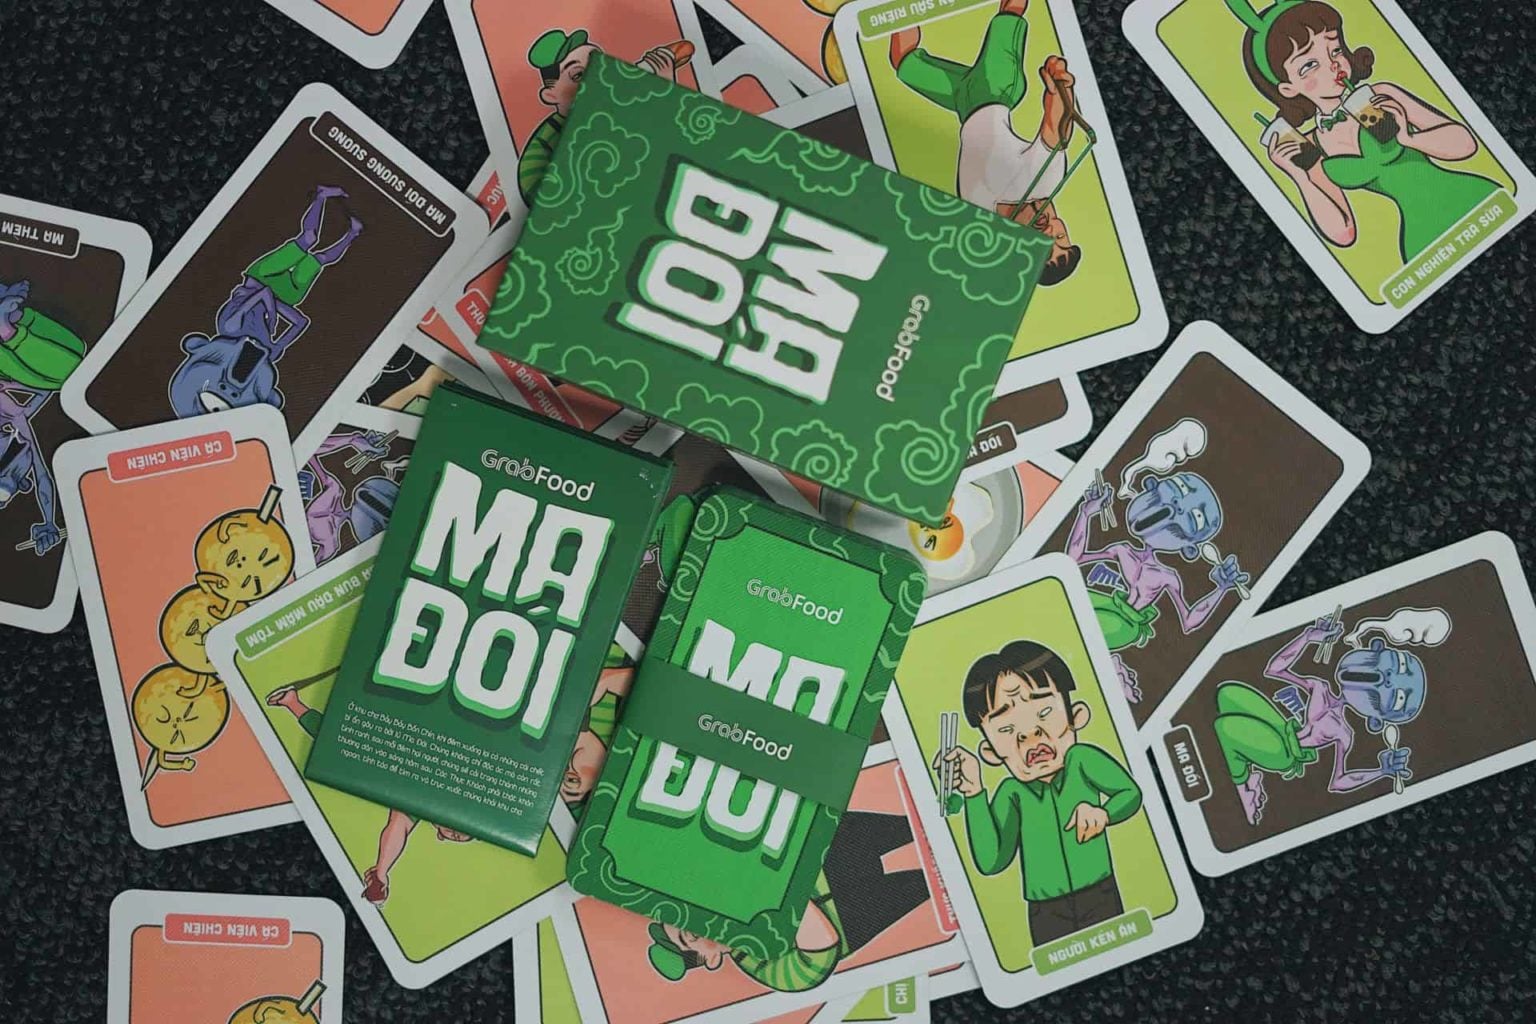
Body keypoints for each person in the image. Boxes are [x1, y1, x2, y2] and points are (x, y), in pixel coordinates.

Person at [1228, 0, 1499, 262]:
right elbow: (1343, 233)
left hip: (1473, 201)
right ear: (1288, 89)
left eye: (1335, 50)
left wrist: (1408, 137)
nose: (1333, 64)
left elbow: (1466, 144)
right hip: (1421, 238)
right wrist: (1299, 177)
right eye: (1309, 65)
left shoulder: (1379, 95)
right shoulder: (1311, 146)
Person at [936, 640, 1142, 946]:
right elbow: (991, 862)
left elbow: (1130, 793)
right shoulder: (1012, 793)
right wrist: (974, 792)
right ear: (990, 753)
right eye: (1006, 730)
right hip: (1045, 909)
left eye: (1044, 712)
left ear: (1076, 716)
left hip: (1100, 890)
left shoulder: (1082, 760)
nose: (1029, 735)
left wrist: (1103, 813)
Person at [887, 0, 1086, 285]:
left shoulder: (982, 214)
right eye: (1060, 237)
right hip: (997, 87)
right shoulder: (1043, 180)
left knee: (903, 62)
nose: (1048, 232)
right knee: (1010, 12)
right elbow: (1055, 129)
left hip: (963, 101)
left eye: (1042, 248)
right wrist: (1059, 89)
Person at [644, 809, 930, 991]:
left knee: (923, 822)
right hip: (852, 914)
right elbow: (819, 953)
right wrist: (769, 901)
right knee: (931, 881)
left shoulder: (723, 883)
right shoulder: (761, 965)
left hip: (831, 850)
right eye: (694, 934)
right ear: (711, 959)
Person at [1213, 612, 1428, 825]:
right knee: (1228, 693)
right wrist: (1307, 637)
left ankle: (1243, 786)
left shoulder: (1343, 732)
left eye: (1397, 697)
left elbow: (1338, 782)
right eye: (1397, 665)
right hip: (1283, 728)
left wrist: (1382, 771)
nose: (1387, 678)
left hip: (1284, 754)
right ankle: (1246, 762)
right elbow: (1275, 670)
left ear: (1375, 721)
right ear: (1375, 647)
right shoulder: (1319, 687)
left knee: (1225, 728)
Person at [266, 685, 472, 906]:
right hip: (409, 722)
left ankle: (291, 702)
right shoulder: (446, 790)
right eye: (461, 829)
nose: (454, 830)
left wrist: (381, 874)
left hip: (379, 748)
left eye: (455, 836)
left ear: (441, 835)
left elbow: (397, 827)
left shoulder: (418, 806)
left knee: (334, 739)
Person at [519, 30, 682, 208]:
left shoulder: (618, 113)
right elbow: (548, 206)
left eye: (601, 64)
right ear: (551, 95)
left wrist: (663, 93)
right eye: (578, 75)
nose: (598, 76)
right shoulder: (543, 146)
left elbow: (669, 153)